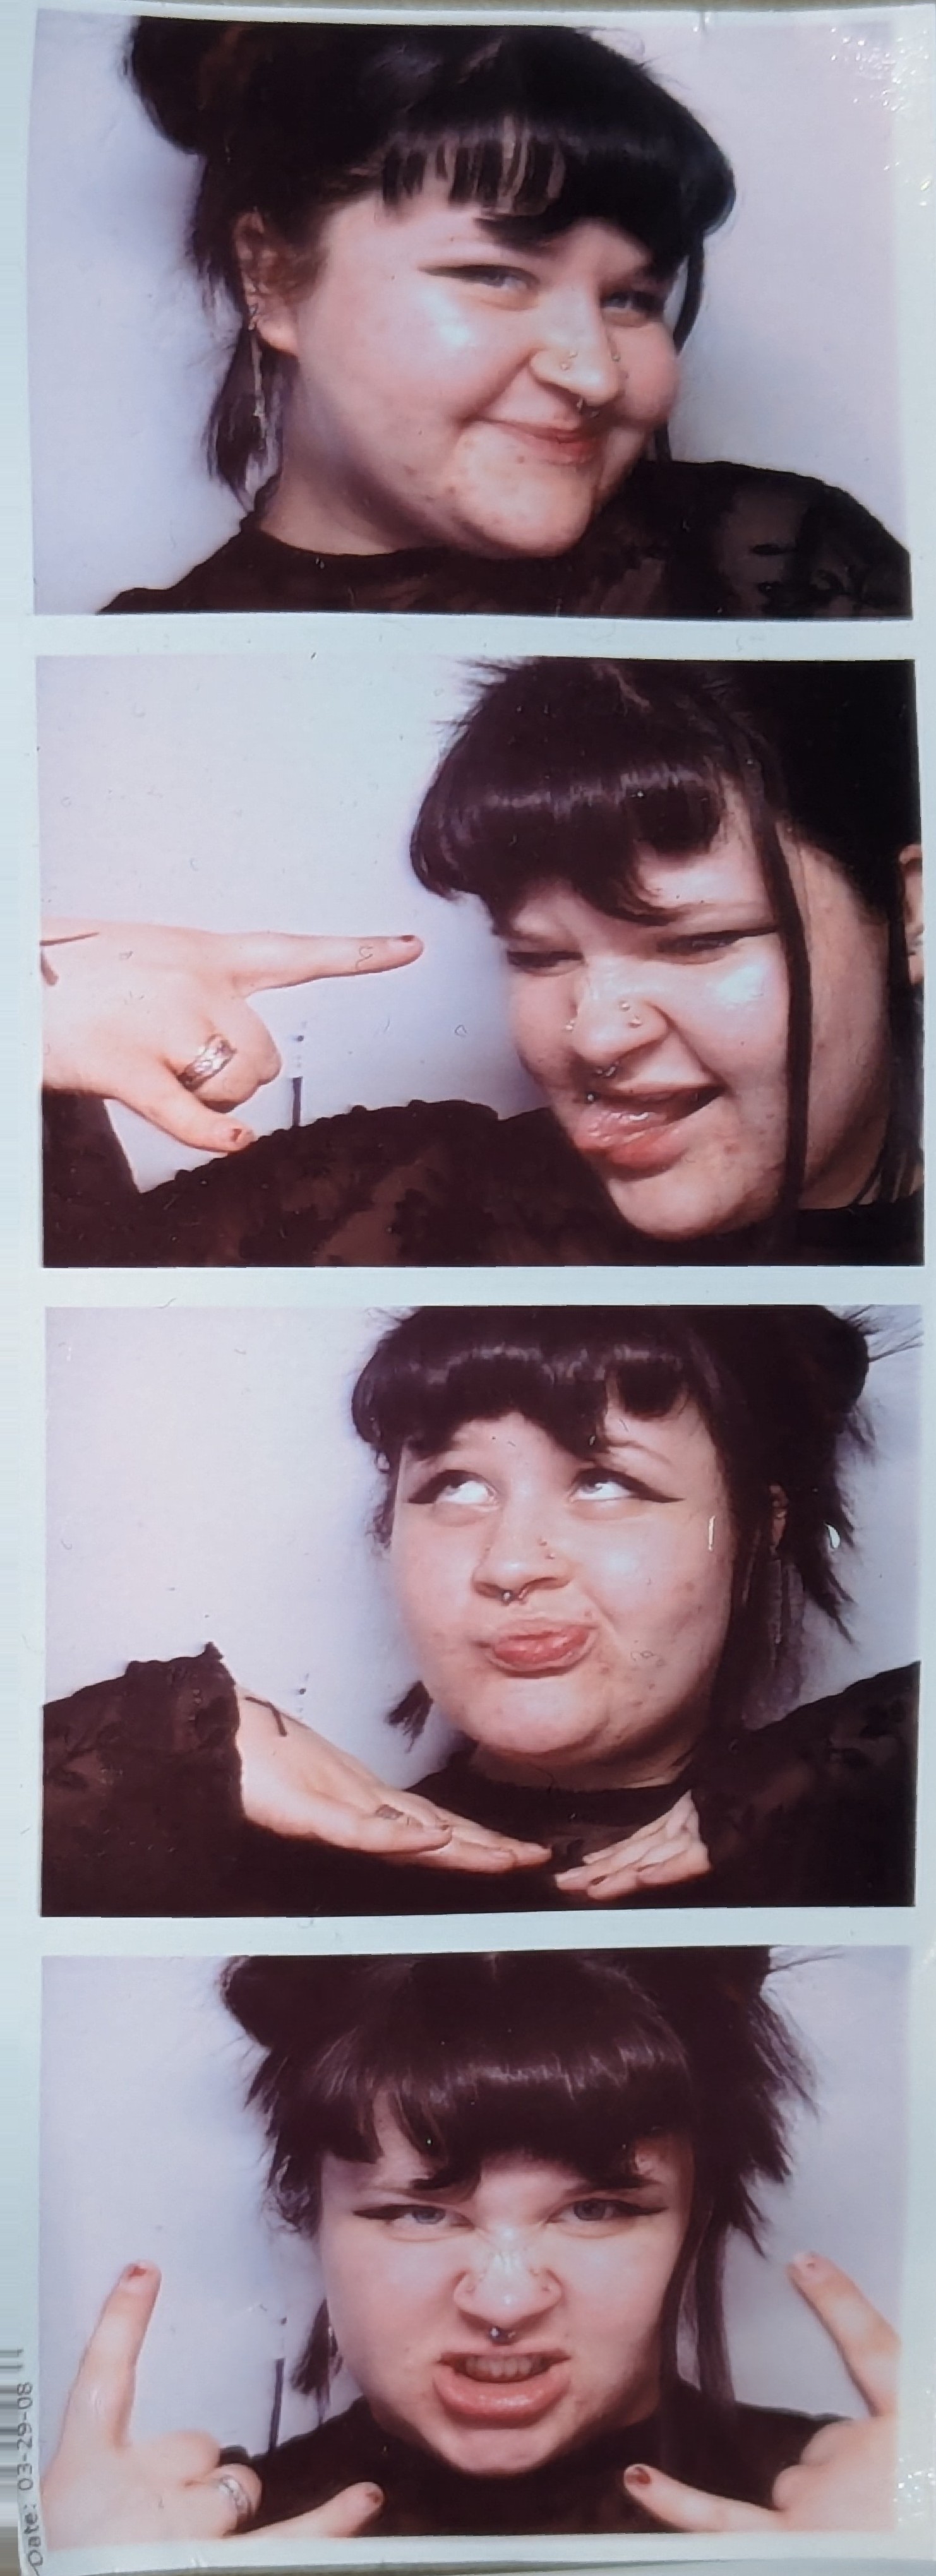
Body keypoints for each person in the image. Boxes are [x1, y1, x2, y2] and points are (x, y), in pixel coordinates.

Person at [42, 659, 924, 1268]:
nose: (594, 1035)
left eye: (696, 942)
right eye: (539, 955)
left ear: (912, 917)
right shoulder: (396, 1200)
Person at [42, 1306, 917, 1916]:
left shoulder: (878, 1848)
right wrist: (161, 1755)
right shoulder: (261, 1886)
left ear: (758, 1530)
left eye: (605, 1483)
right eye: (454, 1486)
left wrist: (853, 1759)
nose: (509, 1564)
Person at [40, 1952, 901, 2541]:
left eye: (596, 2210)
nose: (504, 2301)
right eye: (418, 2215)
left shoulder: (864, 2507)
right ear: (312, 2222)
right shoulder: (197, 2540)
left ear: (693, 2223)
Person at [92, 23, 909, 618]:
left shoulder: (787, 566)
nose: (596, 375)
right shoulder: (152, 645)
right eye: (496, 275)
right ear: (270, 276)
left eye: (632, 299)